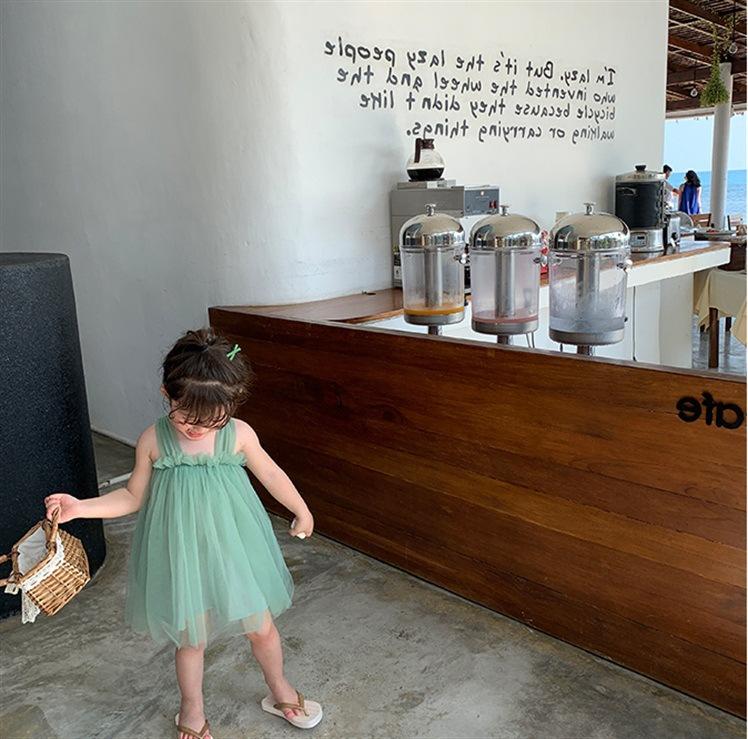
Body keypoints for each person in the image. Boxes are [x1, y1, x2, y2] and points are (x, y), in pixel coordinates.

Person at [45, 329, 323, 738]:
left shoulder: (239, 435)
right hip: (183, 552)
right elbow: (132, 495)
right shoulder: (154, 440)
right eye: (186, 415)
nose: (197, 427)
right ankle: (191, 708)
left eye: (212, 419)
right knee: (191, 639)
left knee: (261, 627)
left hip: (234, 547)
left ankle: (279, 688)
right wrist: (81, 507)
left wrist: (301, 509)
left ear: (232, 404)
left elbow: (270, 473)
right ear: (167, 394)